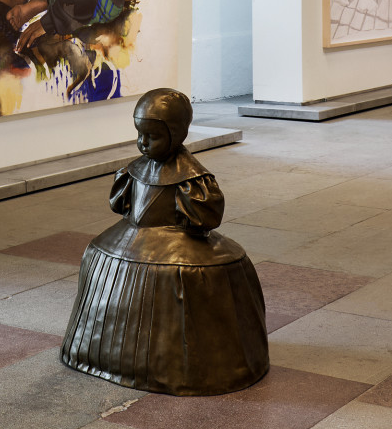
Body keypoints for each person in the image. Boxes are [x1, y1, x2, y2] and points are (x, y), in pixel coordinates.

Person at [60, 88, 268, 395]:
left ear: (176, 134)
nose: (143, 143)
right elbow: (122, 206)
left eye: (153, 136)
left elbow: (206, 217)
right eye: (140, 134)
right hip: (131, 236)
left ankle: (167, 365)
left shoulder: (192, 179)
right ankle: (99, 352)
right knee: (97, 254)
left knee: (182, 276)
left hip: (178, 242)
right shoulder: (134, 170)